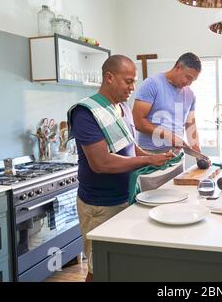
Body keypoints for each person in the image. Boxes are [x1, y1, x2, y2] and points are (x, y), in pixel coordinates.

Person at [68, 55, 175, 282]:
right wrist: (147, 162)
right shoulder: (86, 113)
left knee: (118, 265)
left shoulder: (123, 109)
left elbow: (131, 148)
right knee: (98, 270)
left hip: (126, 198)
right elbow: (101, 163)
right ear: (109, 77)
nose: (132, 87)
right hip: (100, 204)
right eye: (128, 81)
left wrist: (156, 157)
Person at [132, 52, 205, 189]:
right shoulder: (152, 84)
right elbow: (137, 121)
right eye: (187, 77)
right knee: (150, 204)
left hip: (176, 159)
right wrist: (167, 135)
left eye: (192, 80)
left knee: (176, 202)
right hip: (150, 157)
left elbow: (190, 126)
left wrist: (198, 154)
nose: (188, 83)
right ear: (178, 67)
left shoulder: (190, 94)